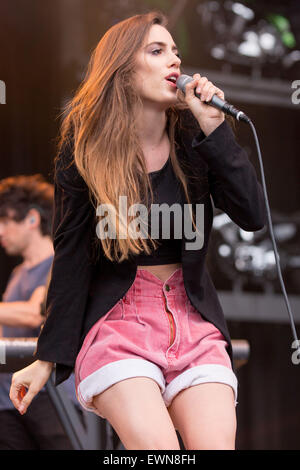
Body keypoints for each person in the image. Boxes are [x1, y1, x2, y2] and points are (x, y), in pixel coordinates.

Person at [9, 12, 266, 450]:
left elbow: (253, 215)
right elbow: (70, 257)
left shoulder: (195, 141)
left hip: (192, 322)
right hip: (119, 323)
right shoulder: (85, 152)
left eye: (176, 52)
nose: (175, 62)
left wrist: (215, 129)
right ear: (124, 71)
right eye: (157, 50)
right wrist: (47, 356)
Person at [0, 174, 78, 449]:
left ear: (32, 219)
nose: (0, 231)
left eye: (6, 222)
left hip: (48, 394)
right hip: (8, 397)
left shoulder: (59, 264)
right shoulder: (17, 273)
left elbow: (34, 312)